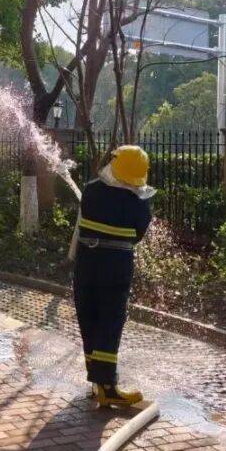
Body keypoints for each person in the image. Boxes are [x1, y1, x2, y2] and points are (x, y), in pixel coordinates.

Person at [69, 145, 155, 408]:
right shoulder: (139, 202)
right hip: (116, 267)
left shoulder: (91, 190)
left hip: (86, 264)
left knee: (89, 317)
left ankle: (97, 382)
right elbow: (138, 234)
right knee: (110, 320)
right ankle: (107, 386)